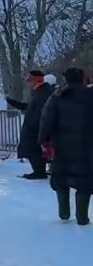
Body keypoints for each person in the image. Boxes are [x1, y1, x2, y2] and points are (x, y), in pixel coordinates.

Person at [39, 68, 91, 225]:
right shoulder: (90, 95)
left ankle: (64, 212)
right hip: (86, 145)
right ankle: (82, 216)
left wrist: (43, 139)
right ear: (82, 78)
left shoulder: (57, 95)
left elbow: (46, 118)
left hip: (61, 144)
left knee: (61, 178)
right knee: (85, 180)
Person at [6, 70, 55, 180]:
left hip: (35, 129)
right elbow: (29, 107)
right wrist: (14, 103)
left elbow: (43, 112)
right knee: (34, 150)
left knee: (34, 150)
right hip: (35, 128)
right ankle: (39, 170)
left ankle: (39, 172)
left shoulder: (44, 93)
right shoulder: (40, 92)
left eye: (31, 81)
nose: (30, 84)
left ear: (37, 80)